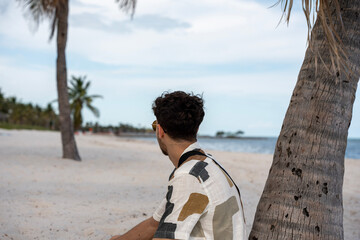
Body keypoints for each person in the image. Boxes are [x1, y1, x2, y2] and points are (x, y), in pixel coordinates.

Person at [110, 91, 246, 240]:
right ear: (196, 129)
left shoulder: (189, 176)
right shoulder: (206, 164)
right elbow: (154, 225)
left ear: (160, 130)